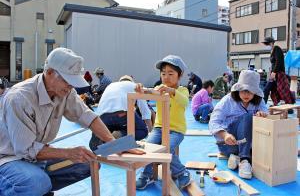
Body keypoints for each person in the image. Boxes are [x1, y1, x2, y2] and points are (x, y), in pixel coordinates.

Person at [0, 48, 142, 196]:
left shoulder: (65, 91)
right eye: (67, 81)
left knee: (87, 163)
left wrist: (114, 143)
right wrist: (68, 153)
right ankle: (30, 186)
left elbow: (87, 116)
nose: (71, 86)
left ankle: (38, 188)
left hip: (37, 158)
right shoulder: (19, 98)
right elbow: (26, 149)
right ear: (49, 73)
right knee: (35, 182)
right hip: (10, 159)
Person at [135, 55, 191, 190]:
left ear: (180, 75)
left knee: (167, 147)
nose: (166, 77)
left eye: (171, 73)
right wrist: (141, 89)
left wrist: (172, 91)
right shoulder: (160, 88)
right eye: (163, 73)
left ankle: (181, 172)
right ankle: (146, 174)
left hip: (176, 130)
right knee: (148, 146)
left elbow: (185, 101)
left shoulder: (182, 90)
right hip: (159, 128)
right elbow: (149, 91)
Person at [209, 70, 268, 179]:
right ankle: (245, 160)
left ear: (255, 92)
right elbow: (214, 121)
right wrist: (225, 135)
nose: (246, 94)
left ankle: (237, 158)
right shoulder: (228, 100)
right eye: (243, 90)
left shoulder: (259, 101)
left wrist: (263, 115)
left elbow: (267, 114)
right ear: (238, 89)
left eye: (250, 91)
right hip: (229, 145)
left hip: (247, 144)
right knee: (248, 116)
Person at [89, 75, 152, 151]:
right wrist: (150, 133)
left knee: (98, 144)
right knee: (142, 131)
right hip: (122, 113)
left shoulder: (111, 86)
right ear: (131, 81)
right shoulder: (135, 86)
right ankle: (118, 136)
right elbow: (145, 112)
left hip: (102, 116)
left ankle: (99, 142)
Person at [262, 37, 295, 106]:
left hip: (279, 74)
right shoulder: (272, 50)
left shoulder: (277, 49)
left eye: (266, 44)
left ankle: (289, 107)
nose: (265, 46)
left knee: (283, 91)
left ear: (271, 43)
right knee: (268, 90)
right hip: (274, 75)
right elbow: (274, 63)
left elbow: (278, 61)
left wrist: (274, 72)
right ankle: (264, 107)